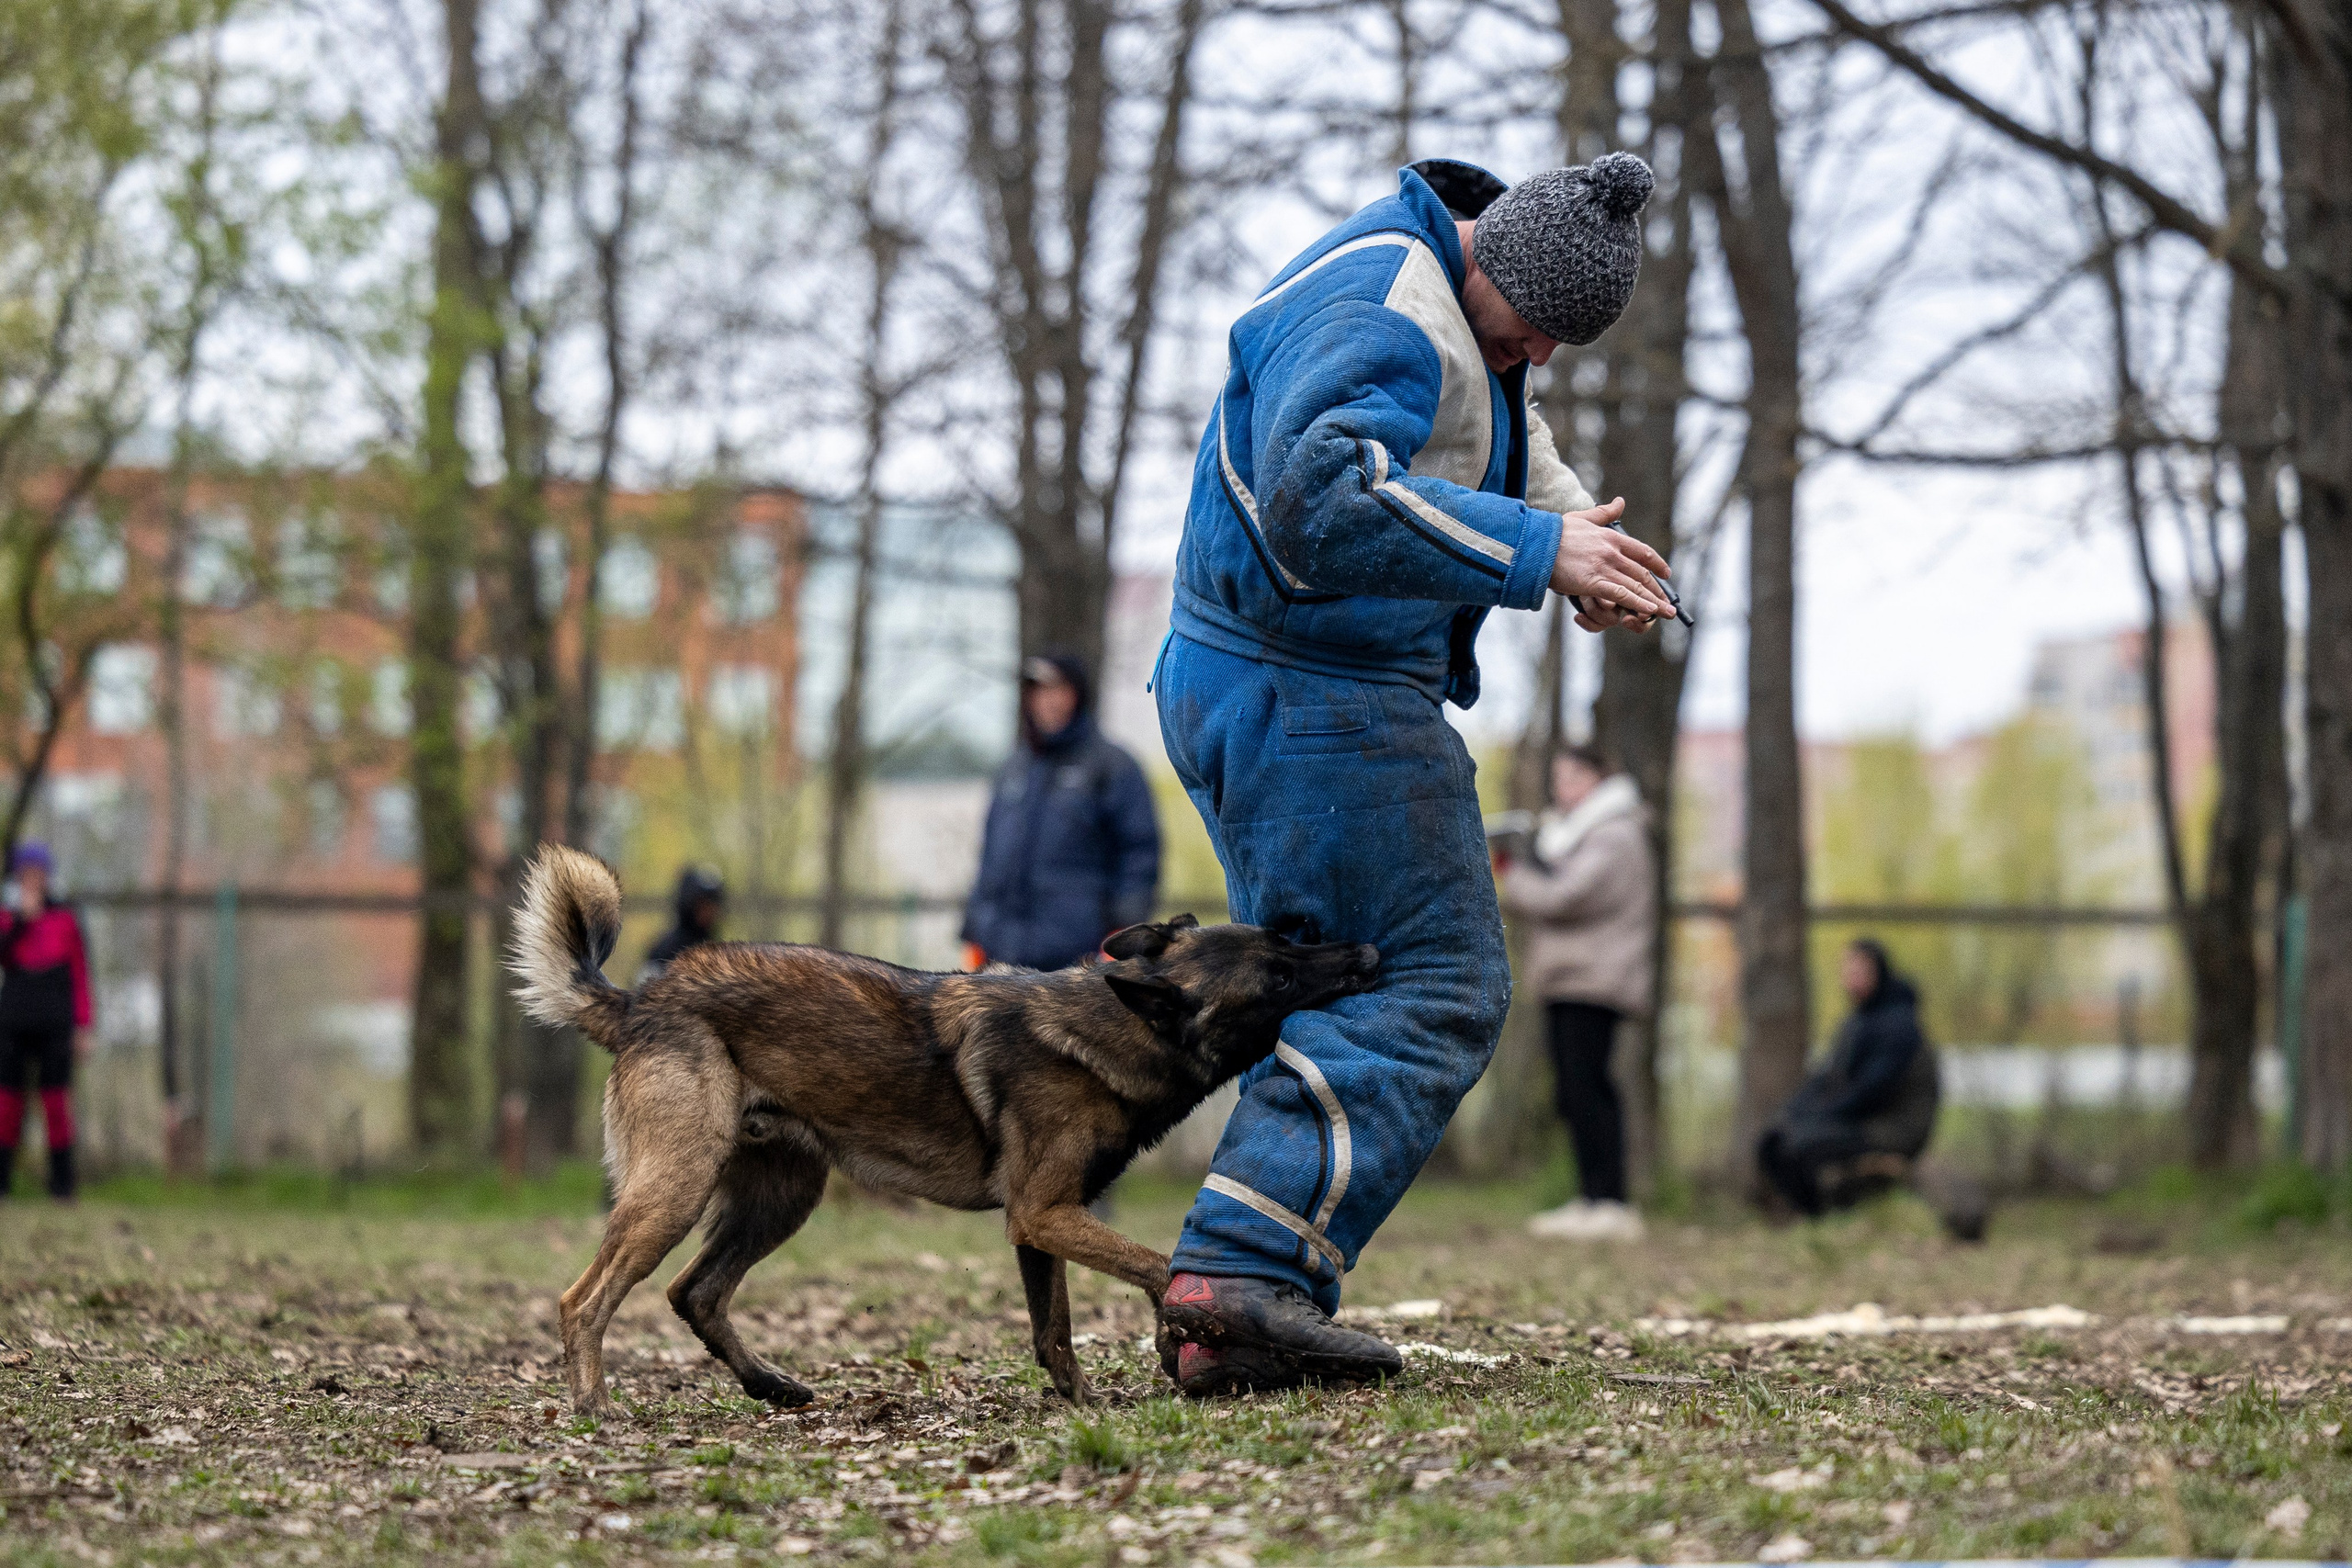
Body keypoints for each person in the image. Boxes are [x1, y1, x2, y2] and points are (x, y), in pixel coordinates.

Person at [1148, 152, 1677, 1397]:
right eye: (1531, 329)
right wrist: (1537, 553)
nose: (1535, 356)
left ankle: (1233, 1293)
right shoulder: (1384, 303)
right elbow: (1319, 498)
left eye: (1555, 344)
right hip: (1306, 687)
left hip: (1278, 683)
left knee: (1329, 981)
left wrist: (1572, 529)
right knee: (1428, 981)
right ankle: (1237, 1278)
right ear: (1492, 255)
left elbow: (1484, 428)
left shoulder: (1447, 289)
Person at [1498, 744, 1655, 1242]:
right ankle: (1593, 1198)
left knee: (1590, 1090)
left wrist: (1510, 874)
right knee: (1575, 1091)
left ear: (1597, 779)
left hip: (1596, 980)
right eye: (1558, 778)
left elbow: (1565, 896)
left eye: (1571, 777)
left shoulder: (1614, 834)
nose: (1561, 789)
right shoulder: (1581, 835)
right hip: (1573, 978)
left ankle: (1612, 1202)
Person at [961, 652, 1160, 973]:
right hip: (1001, 959)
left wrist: (1122, 936)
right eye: (1038, 690)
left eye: (1057, 688)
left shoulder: (1112, 766)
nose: (1047, 700)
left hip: (1078, 964)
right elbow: (989, 859)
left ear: (1077, 694)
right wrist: (974, 932)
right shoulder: (1012, 769)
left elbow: (1139, 854)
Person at [1757, 938, 1942, 1217]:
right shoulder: (1858, 1022)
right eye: (1848, 970)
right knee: (1772, 1143)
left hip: (1891, 1128)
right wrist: (1796, 1110)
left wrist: (1820, 1117)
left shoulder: (1899, 1025)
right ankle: (1813, 1216)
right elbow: (1827, 1077)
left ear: (1879, 972)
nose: (1852, 978)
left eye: (1860, 970)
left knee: (1801, 1145)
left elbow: (1872, 1090)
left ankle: (1820, 1217)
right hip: (1859, 1121)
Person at [0, 842, 94, 1201]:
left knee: (56, 1102)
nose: (32, 879)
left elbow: (80, 973)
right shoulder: (8, 916)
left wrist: (83, 1024)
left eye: (38, 872)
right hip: (14, 1020)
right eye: (25, 872)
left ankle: (62, 1184)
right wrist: (22, 921)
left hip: (55, 1021)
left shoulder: (65, 917)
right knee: (7, 1103)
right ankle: (3, 1182)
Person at [639, 865, 726, 984]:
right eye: (702, 904)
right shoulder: (666, 950)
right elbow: (643, 988)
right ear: (688, 904)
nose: (708, 911)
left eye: (713, 905)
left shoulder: (719, 951)